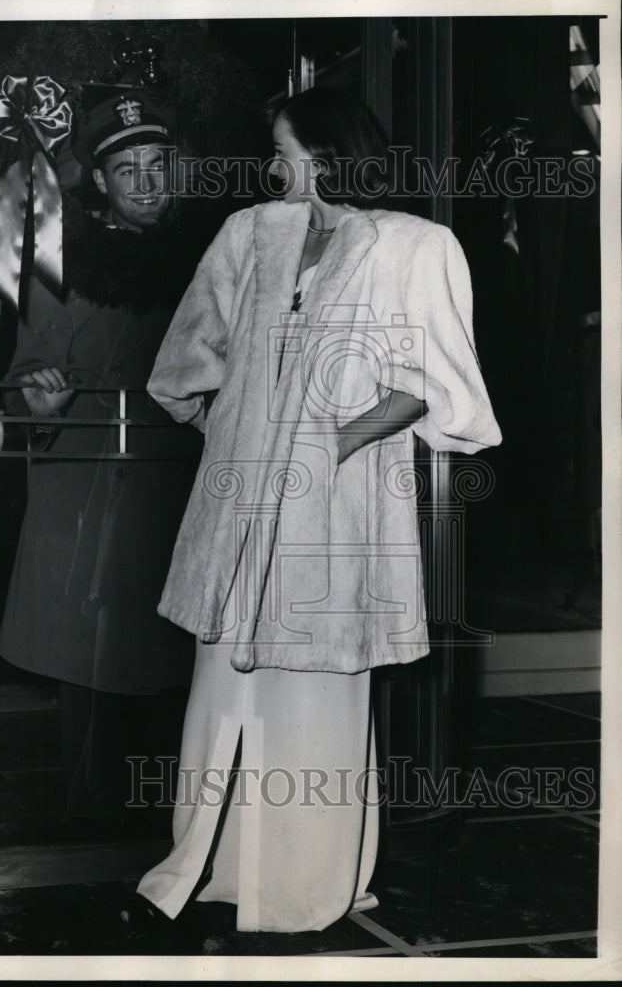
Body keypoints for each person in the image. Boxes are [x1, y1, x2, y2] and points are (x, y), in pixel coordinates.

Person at [120, 85, 502, 933]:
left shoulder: (416, 246)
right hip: (238, 515)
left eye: (285, 152)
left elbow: (438, 383)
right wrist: (227, 427)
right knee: (222, 698)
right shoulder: (251, 235)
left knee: (317, 705)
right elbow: (187, 355)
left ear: (326, 155)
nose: (271, 167)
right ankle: (208, 874)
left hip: (339, 514)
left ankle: (299, 893)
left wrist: (338, 438)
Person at [0, 93, 202, 832]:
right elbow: (26, 378)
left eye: (158, 165)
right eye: (128, 169)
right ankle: (95, 836)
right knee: (95, 673)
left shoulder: (210, 260)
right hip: (91, 494)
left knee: (177, 670)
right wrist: (41, 406)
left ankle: (172, 834)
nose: (147, 183)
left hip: (183, 491)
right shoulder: (59, 270)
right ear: (103, 184)